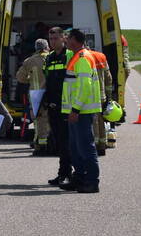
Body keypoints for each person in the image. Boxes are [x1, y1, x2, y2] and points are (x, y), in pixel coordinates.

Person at [60, 28, 103, 193]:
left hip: (81, 111)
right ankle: (78, 179)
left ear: (74, 40)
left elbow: (85, 86)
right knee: (76, 147)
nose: (65, 41)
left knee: (85, 147)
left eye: (67, 38)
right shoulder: (76, 56)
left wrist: (75, 109)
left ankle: (92, 182)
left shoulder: (83, 58)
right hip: (76, 111)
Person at [43, 26, 73, 185]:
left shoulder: (70, 55)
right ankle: (63, 173)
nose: (53, 42)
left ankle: (68, 174)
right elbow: (47, 81)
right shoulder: (49, 58)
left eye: (56, 38)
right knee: (59, 141)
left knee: (67, 141)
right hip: (53, 105)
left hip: (67, 105)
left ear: (63, 38)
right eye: (50, 39)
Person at [16, 38, 50, 152]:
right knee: (51, 118)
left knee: (38, 120)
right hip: (51, 92)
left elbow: (20, 77)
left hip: (35, 93)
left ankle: (39, 143)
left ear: (36, 48)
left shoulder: (29, 61)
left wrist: (30, 80)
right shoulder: (51, 57)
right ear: (46, 47)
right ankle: (50, 141)